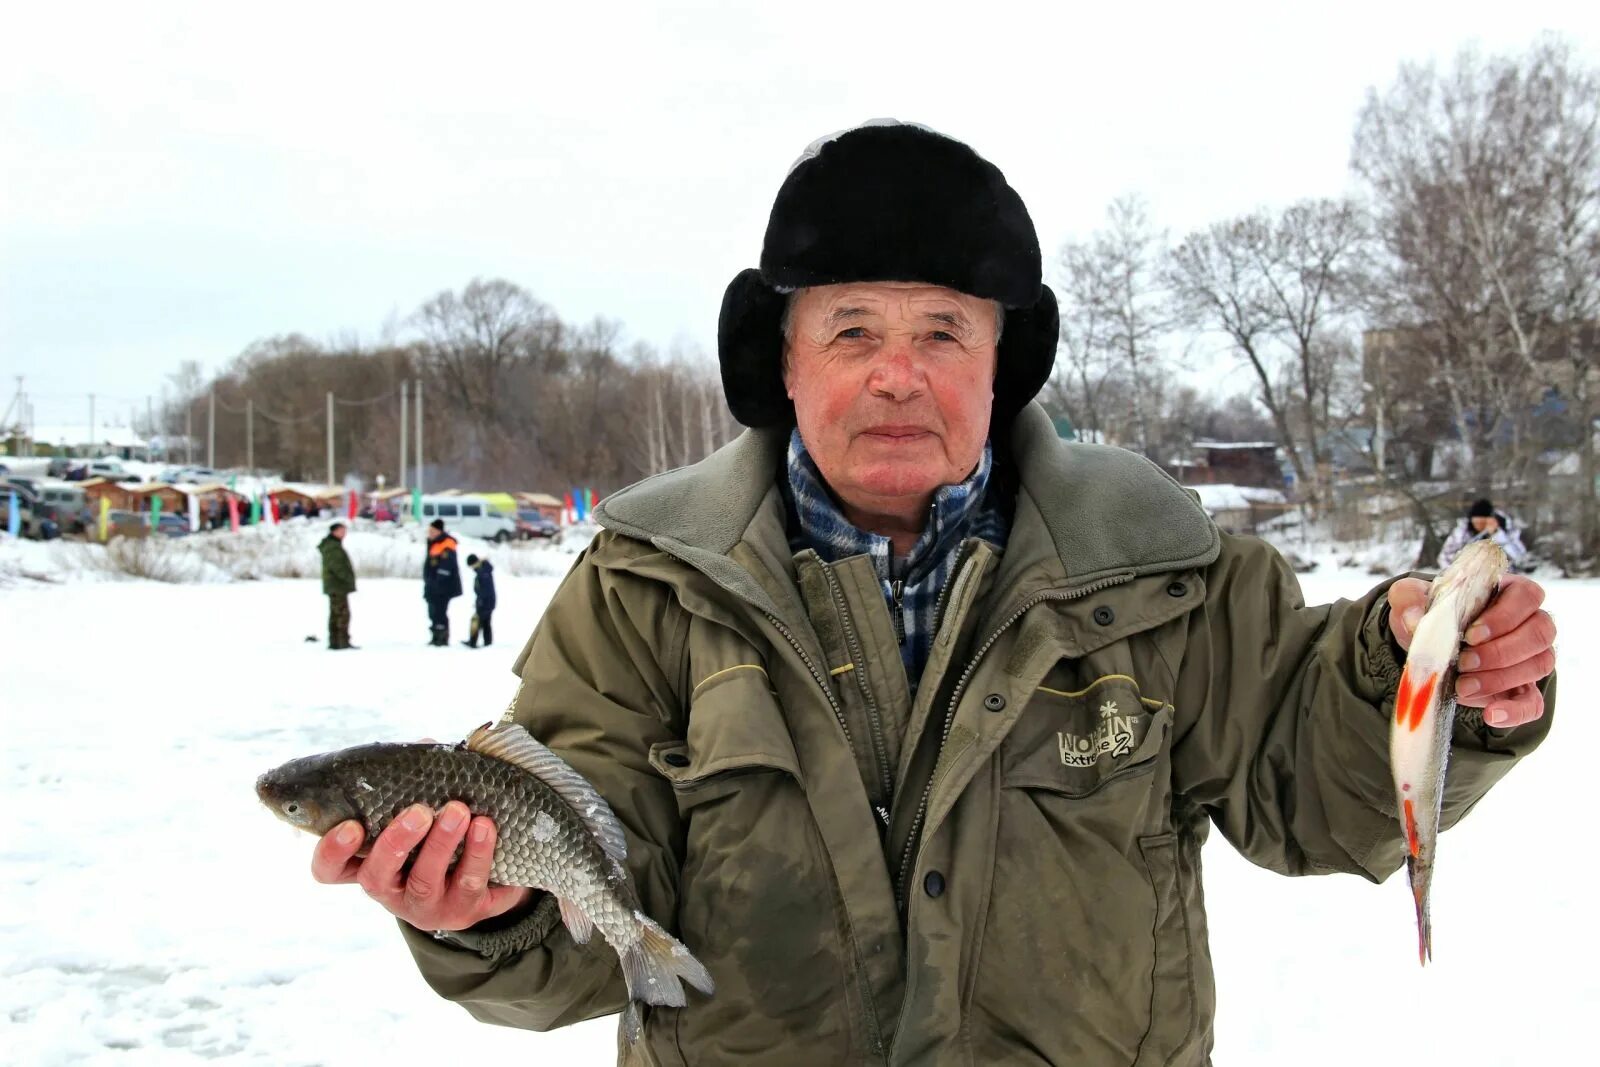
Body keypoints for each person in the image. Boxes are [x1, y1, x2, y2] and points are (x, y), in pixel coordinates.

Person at [306, 123, 1558, 1064]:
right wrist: (490, 912)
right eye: (851, 330)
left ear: (1003, 363)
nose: (898, 376)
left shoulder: (1166, 569)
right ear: (781, 362)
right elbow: (595, 905)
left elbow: (1311, 787)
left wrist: (1429, 678)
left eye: (944, 333)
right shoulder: (643, 593)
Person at [1438, 497, 1529, 570]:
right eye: (1477, 523)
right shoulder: (1461, 533)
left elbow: (1520, 557)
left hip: (1504, 578)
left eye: (1484, 523)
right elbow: (1444, 557)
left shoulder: (1507, 529)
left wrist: (1497, 534)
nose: (1480, 526)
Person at [423, 518, 462, 646]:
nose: (430, 533)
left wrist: (438, 582)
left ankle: (442, 638)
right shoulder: (434, 542)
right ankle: (435, 636)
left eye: (432, 530)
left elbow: (447, 565)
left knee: (440, 612)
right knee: (433, 612)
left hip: (442, 586)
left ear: (438, 530)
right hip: (433, 584)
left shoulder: (447, 543)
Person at [318, 522, 356, 650]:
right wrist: (347, 578)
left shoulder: (333, 545)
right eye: (342, 530)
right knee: (341, 614)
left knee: (337, 613)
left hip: (336, 585)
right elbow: (337, 567)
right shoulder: (332, 547)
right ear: (334, 531)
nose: (344, 533)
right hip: (336, 585)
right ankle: (340, 642)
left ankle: (337, 641)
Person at [462, 553, 497, 648]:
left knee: (477, 621)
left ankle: (473, 642)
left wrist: (481, 601)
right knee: (485, 622)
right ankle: (487, 642)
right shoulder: (483, 570)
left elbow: (485, 590)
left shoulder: (483, 572)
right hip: (488, 601)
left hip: (486, 602)